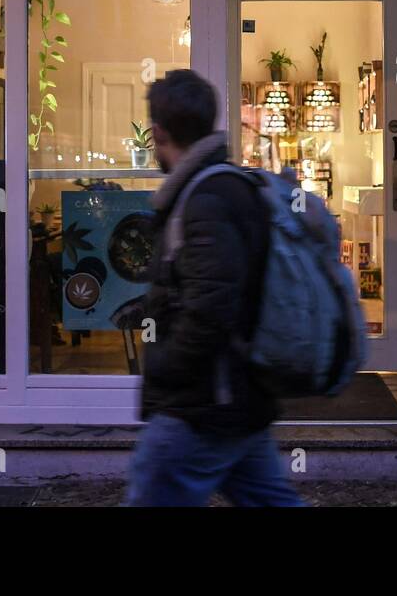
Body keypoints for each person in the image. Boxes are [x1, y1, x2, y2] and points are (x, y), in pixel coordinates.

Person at [125, 69, 303, 507]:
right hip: (241, 400)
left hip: (203, 404)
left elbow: (210, 307)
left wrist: (164, 365)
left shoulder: (204, 200)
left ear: (159, 132)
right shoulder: (228, 186)